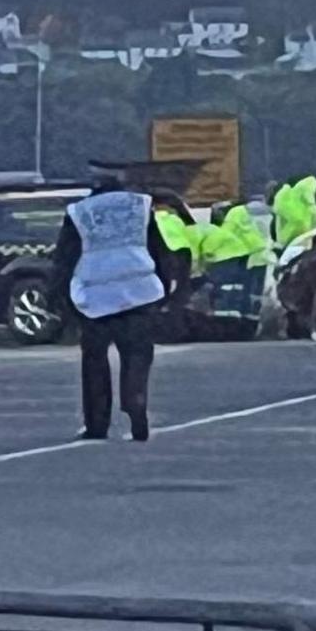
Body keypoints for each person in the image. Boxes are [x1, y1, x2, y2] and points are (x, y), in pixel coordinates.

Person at [52, 170, 189, 440]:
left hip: (96, 298)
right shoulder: (139, 207)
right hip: (138, 293)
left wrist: (61, 299)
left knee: (95, 361)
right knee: (137, 354)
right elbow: (158, 249)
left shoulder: (80, 212)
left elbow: (65, 258)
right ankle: (135, 400)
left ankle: (97, 423)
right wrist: (162, 288)